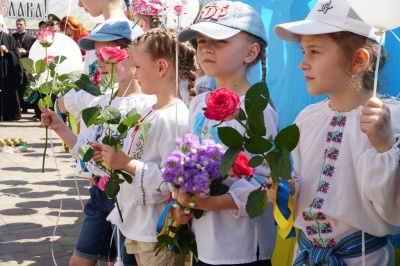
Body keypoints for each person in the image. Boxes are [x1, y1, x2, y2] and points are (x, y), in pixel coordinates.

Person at [273, 0, 400, 264]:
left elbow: (395, 211)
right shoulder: (307, 119)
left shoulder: (392, 119)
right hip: (307, 255)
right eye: (303, 51)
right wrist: (287, 192)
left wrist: (385, 148)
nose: (302, 64)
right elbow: (301, 188)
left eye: (315, 52)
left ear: (358, 60)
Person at [173, 1, 278, 265]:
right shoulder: (199, 102)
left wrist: (208, 203)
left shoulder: (256, 109)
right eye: (200, 40)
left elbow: (263, 183)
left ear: (251, 52)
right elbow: (187, 159)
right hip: (205, 240)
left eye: (219, 41)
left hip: (241, 247)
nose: (205, 48)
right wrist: (180, 197)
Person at [41, 20, 149, 266]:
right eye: (96, 53)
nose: (99, 60)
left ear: (134, 56)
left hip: (131, 202)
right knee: (80, 261)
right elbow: (88, 152)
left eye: (107, 52)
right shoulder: (101, 103)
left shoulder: (147, 106)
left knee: (124, 260)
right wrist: (60, 126)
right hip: (101, 193)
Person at [93, 28, 196, 266]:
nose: (135, 73)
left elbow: (174, 182)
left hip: (157, 230)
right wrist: (111, 156)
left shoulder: (175, 116)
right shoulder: (149, 110)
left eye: (138, 67)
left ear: (161, 67)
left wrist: (126, 164)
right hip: (138, 225)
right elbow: (138, 154)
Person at [0, 16, 24, 121]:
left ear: (2, 25)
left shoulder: (9, 38)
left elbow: (17, 55)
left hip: (6, 72)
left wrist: (7, 51)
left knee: (8, 91)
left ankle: (9, 114)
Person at [12, 17, 36, 114]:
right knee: (17, 85)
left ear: (25, 25)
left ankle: (26, 107)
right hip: (16, 64)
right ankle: (19, 106)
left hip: (26, 65)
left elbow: (34, 51)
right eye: (17, 24)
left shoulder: (31, 38)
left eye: (21, 24)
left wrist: (25, 51)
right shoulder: (12, 36)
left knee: (26, 86)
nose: (18, 26)